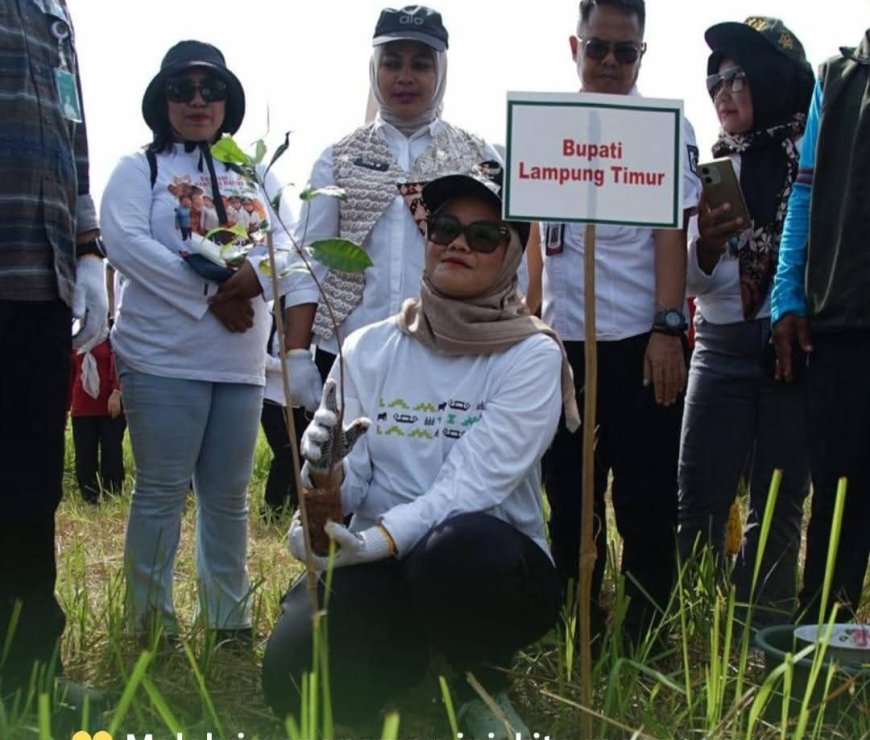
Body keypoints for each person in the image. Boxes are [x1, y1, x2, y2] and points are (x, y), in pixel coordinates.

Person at [262, 163, 578, 739]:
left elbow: (469, 489)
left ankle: (480, 679)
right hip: (376, 559)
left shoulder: (531, 355)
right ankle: (407, 661)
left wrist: (377, 540)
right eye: (444, 228)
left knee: (452, 547)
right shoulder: (369, 345)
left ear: (510, 256)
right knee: (293, 681)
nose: (459, 242)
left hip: (485, 565)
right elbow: (351, 485)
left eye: (484, 235)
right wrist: (324, 472)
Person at [100, 40, 293, 643]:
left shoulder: (257, 174)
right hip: (162, 358)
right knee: (160, 490)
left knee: (229, 497)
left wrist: (257, 279)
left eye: (210, 88)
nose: (197, 100)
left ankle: (228, 621)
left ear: (228, 98)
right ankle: (149, 622)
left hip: (239, 362)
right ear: (162, 101)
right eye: (181, 89)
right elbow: (126, 241)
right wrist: (211, 297)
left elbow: (292, 241)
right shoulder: (141, 169)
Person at [541, 0, 701, 648]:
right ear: (574, 47)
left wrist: (668, 330)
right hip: (561, 346)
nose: (610, 62)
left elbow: (672, 232)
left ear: (642, 55)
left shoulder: (666, 128)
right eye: (598, 47)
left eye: (625, 51)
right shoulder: (545, 128)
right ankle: (577, 627)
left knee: (644, 502)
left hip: (641, 343)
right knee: (569, 500)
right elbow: (528, 238)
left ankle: (643, 638)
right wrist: (528, 333)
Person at [282, 4, 501, 411]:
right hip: (349, 355)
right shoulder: (338, 157)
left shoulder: (478, 156)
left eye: (420, 64)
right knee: (343, 472)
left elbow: (507, 267)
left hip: (449, 352)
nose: (405, 77)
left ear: (440, 72)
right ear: (374, 69)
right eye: (392, 63)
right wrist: (296, 354)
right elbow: (308, 263)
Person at [677, 17, 815, 629]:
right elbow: (690, 281)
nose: (723, 92)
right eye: (715, 82)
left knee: (780, 504)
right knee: (699, 500)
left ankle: (763, 635)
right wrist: (704, 246)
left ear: (776, 79)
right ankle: (693, 635)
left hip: (797, 350)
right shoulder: (708, 167)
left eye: (739, 77)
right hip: (721, 346)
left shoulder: (820, 160)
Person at [0, 0, 108, 724]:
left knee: (29, 488)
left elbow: (74, 146)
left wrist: (90, 250)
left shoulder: (54, 13)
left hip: (40, 282)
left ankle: (27, 670)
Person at [771, 27, 870, 624]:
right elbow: (803, 193)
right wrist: (787, 294)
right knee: (836, 504)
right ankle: (820, 659)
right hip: (843, 321)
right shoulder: (837, 79)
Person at [260, 297, 307, 521]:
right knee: (285, 455)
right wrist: (293, 367)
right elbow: (261, 357)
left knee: (303, 455)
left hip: (301, 401)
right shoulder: (270, 311)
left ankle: (299, 512)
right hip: (274, 399)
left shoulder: (315, 313)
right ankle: (272, 512)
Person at [69, 333, 127, 503]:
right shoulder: (76, 339)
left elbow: (120, 364)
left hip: (110, 406)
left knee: (112, 453)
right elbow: (69, 374)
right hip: (82, 406)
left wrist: (117, 391)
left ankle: (113, 495)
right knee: (85, 456)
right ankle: (90, 497)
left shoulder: (110, 338)